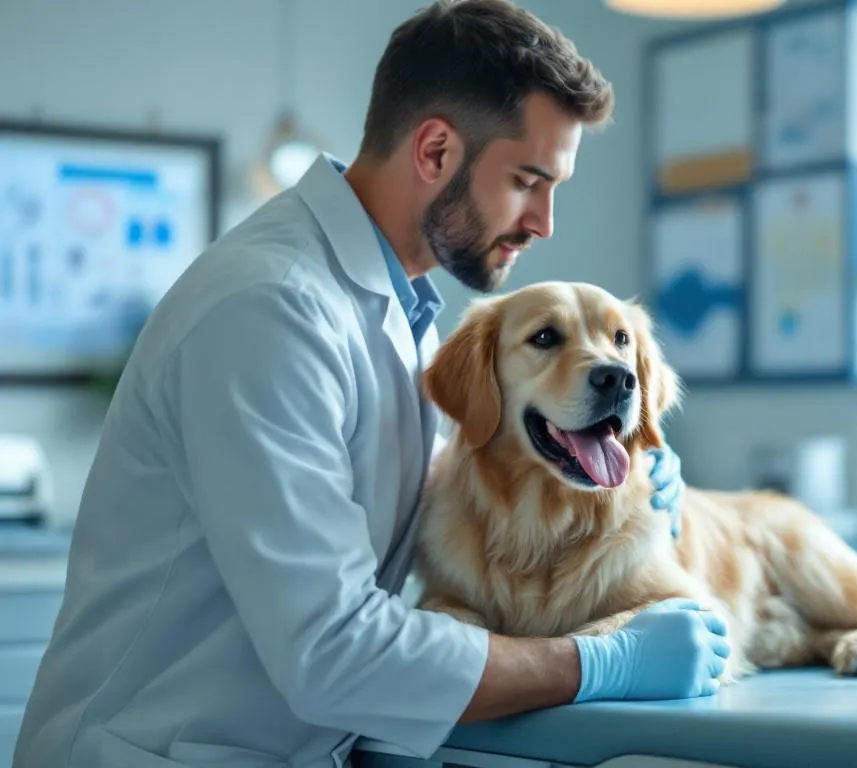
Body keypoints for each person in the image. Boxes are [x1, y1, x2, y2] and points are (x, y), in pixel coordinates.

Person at [11, 2, 730, 767]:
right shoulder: (270, 308)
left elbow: (430, 499)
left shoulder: (399, 307)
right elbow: (335, 652)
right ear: (435, 151)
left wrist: (615, 473)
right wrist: (602, 662)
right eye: (528, 181)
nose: (544, 222)